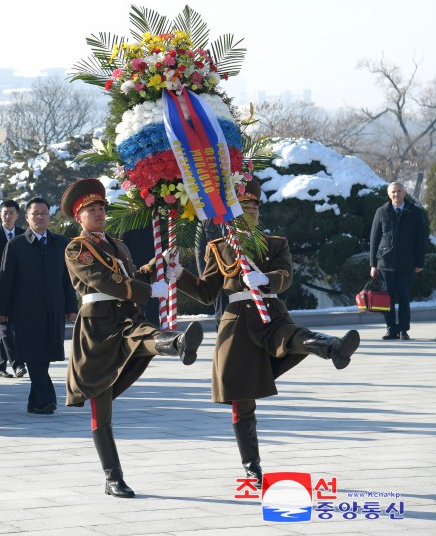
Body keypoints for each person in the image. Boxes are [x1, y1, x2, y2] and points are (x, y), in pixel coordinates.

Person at [177, 178, 360, 488]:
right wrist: (177, 275)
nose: (251, 211)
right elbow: (207, 293)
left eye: (255, 206)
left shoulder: (275, 243)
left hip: (271, 313)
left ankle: (334, 349)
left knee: (291, 336)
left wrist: (264, 279)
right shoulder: (219, 248)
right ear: (232, 212)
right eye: (243, 206)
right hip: (236, 325)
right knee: (242, 398)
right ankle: (252, 466)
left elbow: (285, 276)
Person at [60, 179, 203, 498]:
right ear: (78, 218)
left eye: (100, 208)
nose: (98, 213)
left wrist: (157, 265)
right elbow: (103, 280)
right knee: (102, 407)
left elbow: (132, 277)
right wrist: (148, 291)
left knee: (143, 335)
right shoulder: (78, 248)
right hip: (98, 328)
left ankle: (177, 344)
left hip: (125, 318)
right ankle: (113, 478)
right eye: (90, 210)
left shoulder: (117, 244)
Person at [0, 197, 77, 414]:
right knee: (33, 354)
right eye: (35, 213)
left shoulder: (61, 243)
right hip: (26, 311)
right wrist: (2, 310)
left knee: (45, 354)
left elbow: (67, 279)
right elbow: (6, 280)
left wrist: (71, 307)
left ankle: (35, 401)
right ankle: (47, 400)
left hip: (53, 309)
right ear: (27, 218)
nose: (40, 217)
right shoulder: (16, 245)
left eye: (44, 213)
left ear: (49, 217)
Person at [370, 181, 430, 340]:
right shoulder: (381, 212)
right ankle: (391, 329)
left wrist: (419, 262)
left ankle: (403, 329)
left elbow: (420, 239)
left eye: (399, 191)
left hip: (406, 262)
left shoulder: (415, 212)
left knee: (403, 296)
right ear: (389, 194)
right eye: (393, 192)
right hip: (385, 263)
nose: (396, 194)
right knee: (387, 298)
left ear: (404, 193)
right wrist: (373, 264)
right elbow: (374, 239)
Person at [0, 199, 26, 379]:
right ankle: (18, 364)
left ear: (17, 215)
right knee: (6, 328)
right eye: (4, 213)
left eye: (11, 213)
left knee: (10, 328)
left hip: (18, 291)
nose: (7, 216)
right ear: (0, 214)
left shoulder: (24, 235)